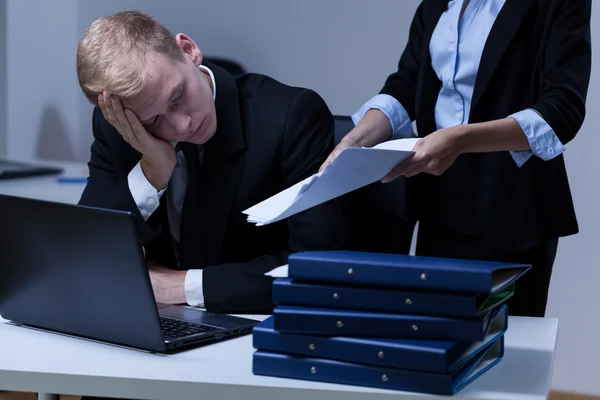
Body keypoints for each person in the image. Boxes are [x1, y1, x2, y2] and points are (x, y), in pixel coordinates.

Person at [321, 0, 591, 317]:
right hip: (438, 201)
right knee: (436, 341)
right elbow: (407, 83)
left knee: (503, 349)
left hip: (513, 208)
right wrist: (355, 138)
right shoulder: (435, 5)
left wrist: (460, 139)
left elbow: (561, 111)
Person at [76, 10, 349, 315]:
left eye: (178, 96)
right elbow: (88, 254)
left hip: (255, 328)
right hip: (156, 325)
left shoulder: (290, 117)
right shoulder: (119, 127)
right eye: (153, 121)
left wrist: (179, 286)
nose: (181, 126)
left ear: (188, 50)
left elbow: (318, 268)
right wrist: (152, 172)